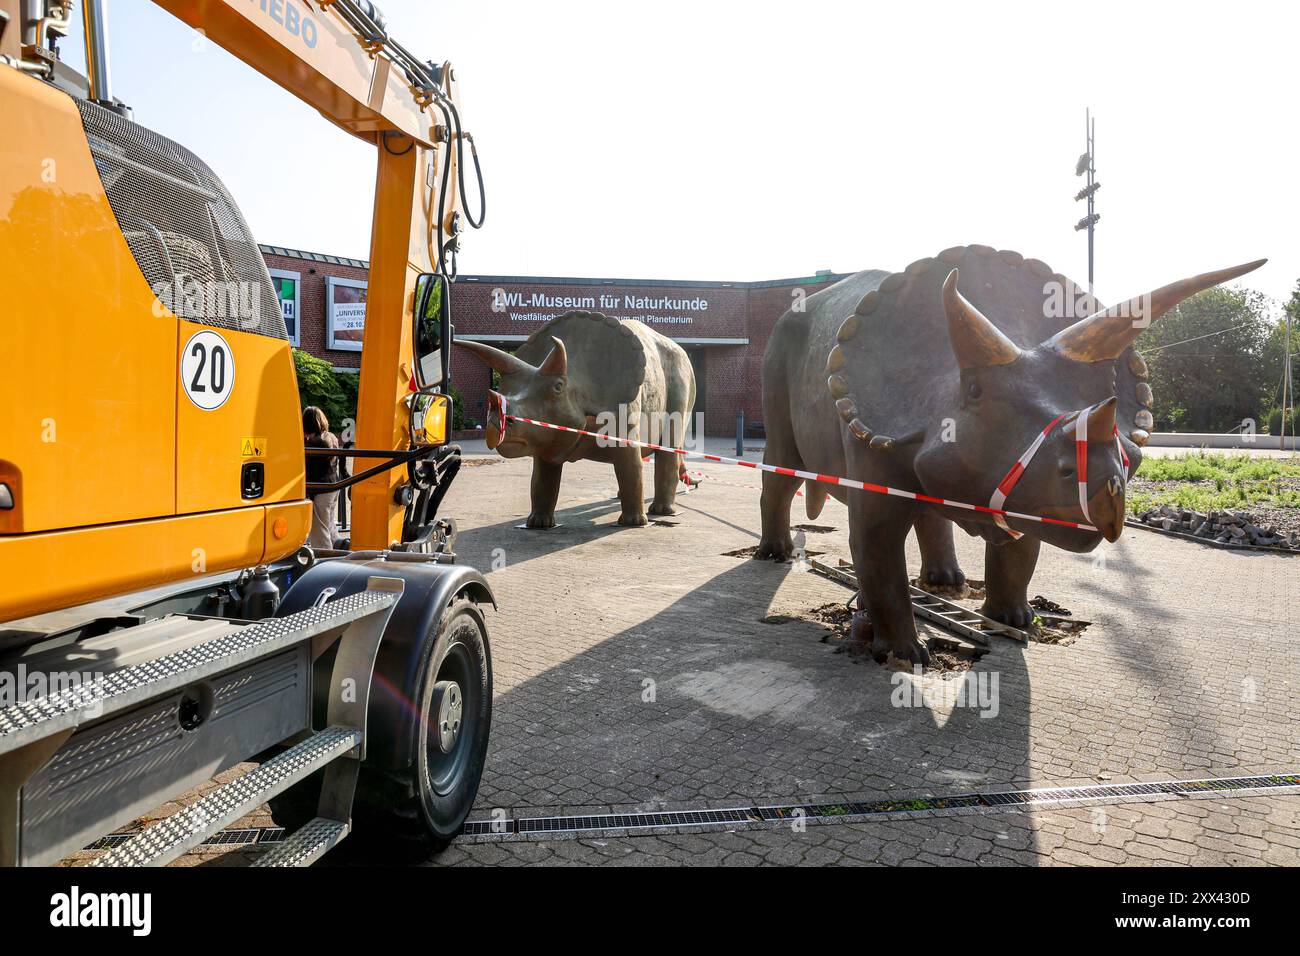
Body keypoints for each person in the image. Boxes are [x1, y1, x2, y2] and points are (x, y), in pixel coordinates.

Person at [303, 406, 341, 551]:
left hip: (321, 490)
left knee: (319, 529)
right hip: (333, 486)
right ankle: (338, 549)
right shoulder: (330, 436)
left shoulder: (314, 443)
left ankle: (324, 558)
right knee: (329, 524)